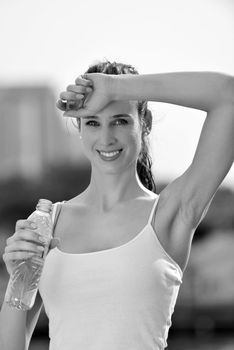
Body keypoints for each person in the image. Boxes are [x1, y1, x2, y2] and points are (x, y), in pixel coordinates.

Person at [0, 60, 233, 350]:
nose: (106, 138)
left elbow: (228, 96)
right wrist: (17, 279)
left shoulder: (170, 214)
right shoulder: (48, 223)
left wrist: (113, 88)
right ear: (79, 127)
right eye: (94, 122)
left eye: (120, 120)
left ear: (144, 123)